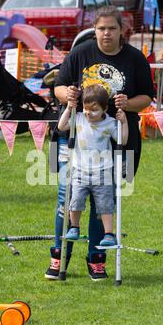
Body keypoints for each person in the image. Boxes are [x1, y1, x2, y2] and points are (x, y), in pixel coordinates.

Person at [45, 5, 154, 281]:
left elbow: (147, 98)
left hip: (114, 141)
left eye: (112, 28)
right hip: (76, 139)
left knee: (103, 198)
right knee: (66, 194)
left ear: (122, 31)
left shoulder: (134, 58)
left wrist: (128, 103)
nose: (106, 33)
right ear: (95, 30)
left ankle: (97, 258)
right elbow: (58, 87)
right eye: (101, 28)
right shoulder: (80, 53)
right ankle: (59, 255)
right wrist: (67, 95)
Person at [58, 84, 128, 249]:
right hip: (79, 170)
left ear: (105, 108)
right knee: (75, 200)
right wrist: (69, 108)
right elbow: (61, 126)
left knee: (105, 204)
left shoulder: (110, 123)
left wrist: (124, 122)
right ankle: (74, 227)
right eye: (86, 108)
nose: (89, 112)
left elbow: (122, 140)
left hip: (102, 172)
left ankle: (109, 234)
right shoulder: (80, 117)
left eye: (94, 109)